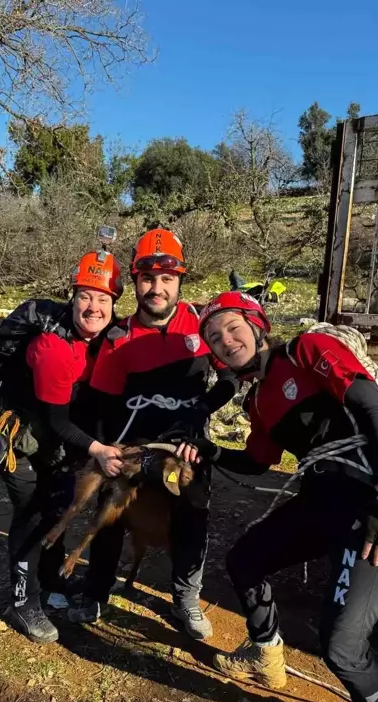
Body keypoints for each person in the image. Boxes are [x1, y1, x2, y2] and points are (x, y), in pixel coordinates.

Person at [176, 290, 378, 702]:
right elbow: (258, 462)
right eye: (215, 339)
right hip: (322, 498)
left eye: (233, 328)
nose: (226, 341)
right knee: (244, 560)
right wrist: (209, 450)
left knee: (341, 643)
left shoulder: (306, 350)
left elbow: (374, 408)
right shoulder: (258, 398)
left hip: (370, 500)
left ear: (257, 325)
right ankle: (266, 654)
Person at [69, 228, 238, 638]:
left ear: (180, 281)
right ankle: (97, 590)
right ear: (135, 281)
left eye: (167, 279)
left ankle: (184, 598)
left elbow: (231, 376)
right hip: (133, 447)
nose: (156, 288)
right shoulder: (118, 338)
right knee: (109, 512)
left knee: (193, 515)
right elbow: (102, 406)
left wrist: (201, 409)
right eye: (147, 279)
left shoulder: (202, 328)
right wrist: (100, 452)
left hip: (185, 449)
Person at [0, 250, 124, 644]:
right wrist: (99, 449)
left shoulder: (99, 340)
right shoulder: (53, 349)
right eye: (85, 296)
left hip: (54, 446)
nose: (94, 307)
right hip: (24, 445)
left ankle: (49, 581)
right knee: (32, 518)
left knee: (55, 512)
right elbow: (58, 421)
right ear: (72, 297)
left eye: (104, 299)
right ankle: (22, 602)